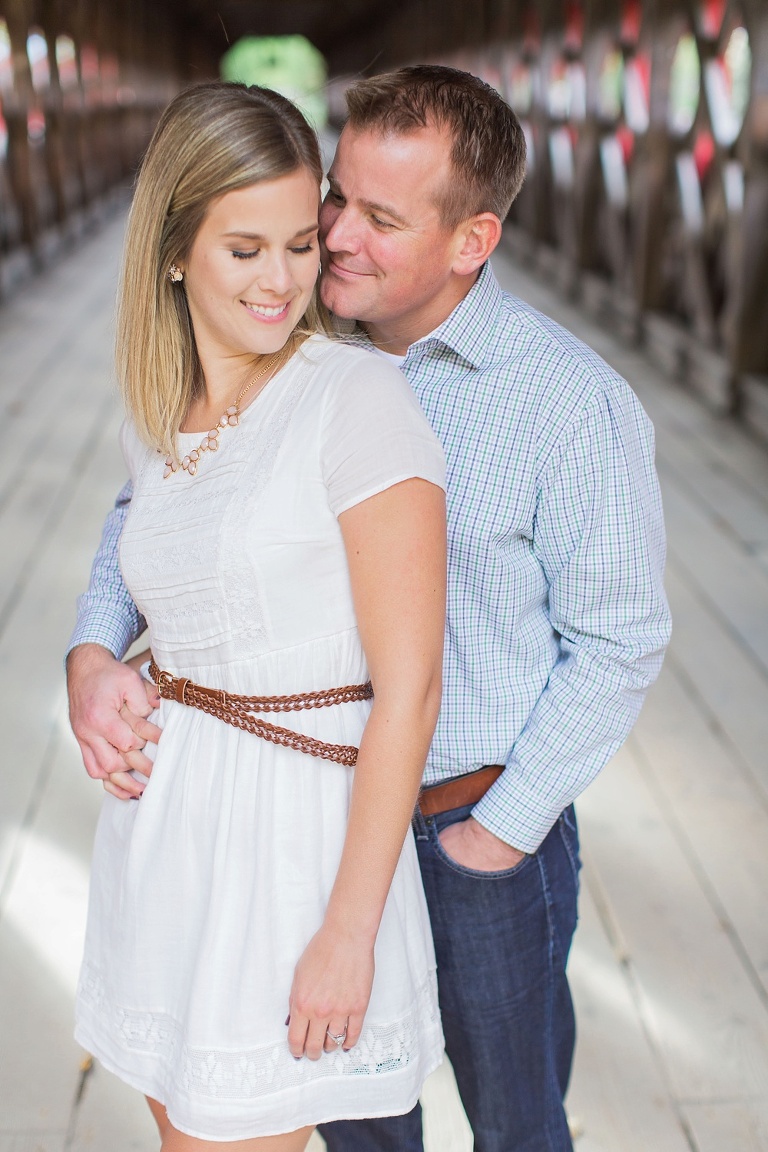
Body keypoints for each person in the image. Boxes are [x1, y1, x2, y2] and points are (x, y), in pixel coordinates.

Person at [67, 67, 672, 1152]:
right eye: (335, 198)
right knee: (357, 1130)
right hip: (315, 819)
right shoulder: (285, 337)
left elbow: (619, 642)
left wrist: (496, 834)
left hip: (471, 821)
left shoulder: (566, 401)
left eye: (380, 220)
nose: (335, 239)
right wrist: (92, 647)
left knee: (516, 1128)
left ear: (472, 240)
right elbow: (151, 499)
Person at [70, 80, 448, 1152]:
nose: (282, 281)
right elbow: (168, 590)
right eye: (245, 250)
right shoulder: (158, 418)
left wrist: (349, 932)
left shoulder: (355, 401)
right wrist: (92, 660)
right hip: (168, 836)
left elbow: (411, 691)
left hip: (294, 856)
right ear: (174, 251)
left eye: (299, 244)